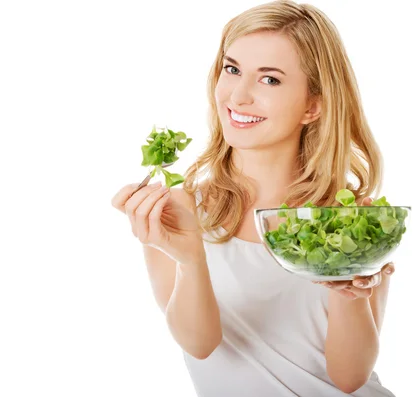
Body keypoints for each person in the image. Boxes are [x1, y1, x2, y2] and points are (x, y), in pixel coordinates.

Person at [111, 1, 397, 395]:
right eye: (232, 69)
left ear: (313, 105)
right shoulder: (180, 212)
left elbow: (350, 378)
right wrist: (191, 258)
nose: (238, 95)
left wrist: (351, 293)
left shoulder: (348, 219)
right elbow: (200, 345)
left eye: (270, 80)